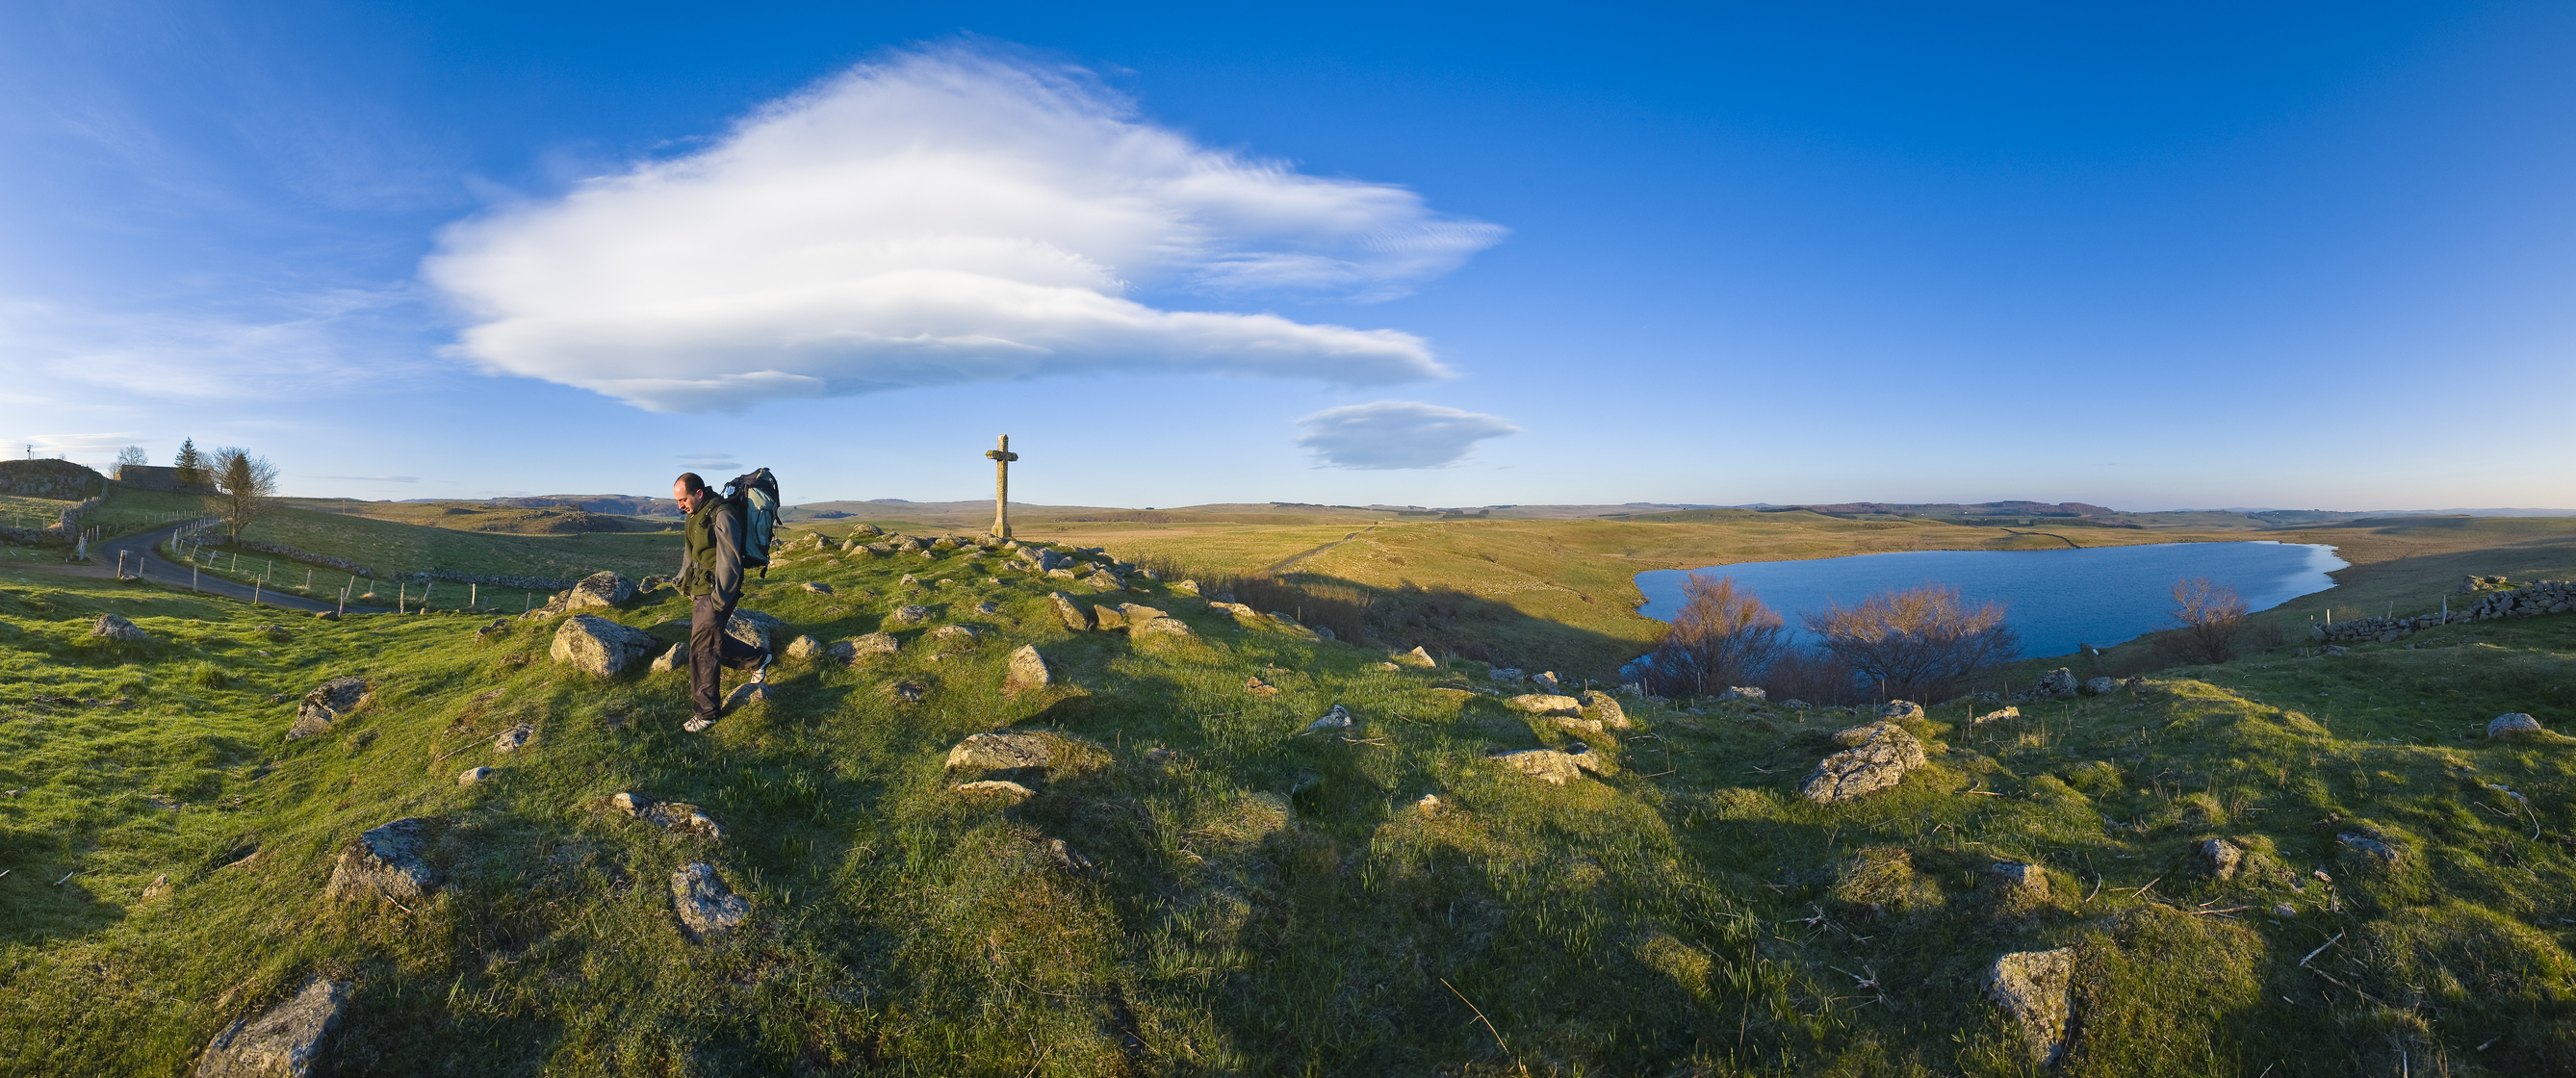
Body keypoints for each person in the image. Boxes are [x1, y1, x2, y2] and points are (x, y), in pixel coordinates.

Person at [672, 472, 771, 732]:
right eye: (678, 501)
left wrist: (719, 599)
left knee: (702, 650)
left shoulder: (721, 514)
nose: (680, 505)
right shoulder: (695, 516)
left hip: (717, 592)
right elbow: (690, 552)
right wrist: (683, 581)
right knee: (709, 640)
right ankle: (758, 659)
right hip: (702, 590)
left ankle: (707, 713)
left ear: (699, 493)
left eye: (683, 499)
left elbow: (731, 558)